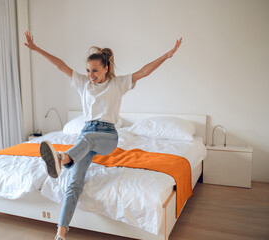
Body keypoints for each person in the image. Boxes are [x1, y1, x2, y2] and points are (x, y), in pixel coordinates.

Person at [24, 30, 182, 240]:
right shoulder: (83, 84)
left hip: (107, 137)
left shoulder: (117, 84)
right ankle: (60, 233)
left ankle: (62, 158)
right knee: (74, 183)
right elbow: (61, 65)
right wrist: (36, 49)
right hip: (86, 135)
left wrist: (165, 56)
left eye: (95, 70)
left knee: (87, 141)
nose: (91, 75)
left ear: (106, 68)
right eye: (88, 70)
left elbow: (143, 72)